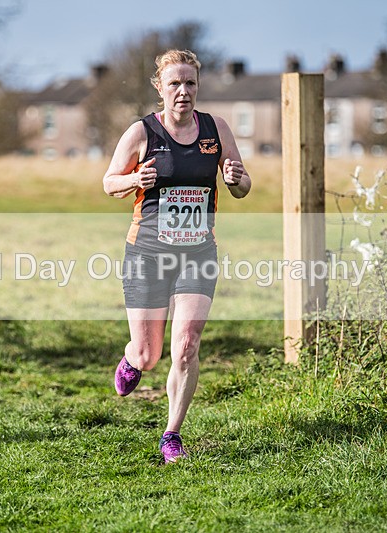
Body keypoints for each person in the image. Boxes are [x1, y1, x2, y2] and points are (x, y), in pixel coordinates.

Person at [102, 49, 251, 463]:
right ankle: (133, 357)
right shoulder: (141, 132)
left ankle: (172, 434)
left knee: (186, 344)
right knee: (150, 355)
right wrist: (135, 178)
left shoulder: (215, 129)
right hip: (146, 253)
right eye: (174, 84)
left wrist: (238, 178)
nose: (183, 91)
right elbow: (109, 181)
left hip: (198, 252)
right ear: (160, 88)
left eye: (190, 83)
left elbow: (241, 185)